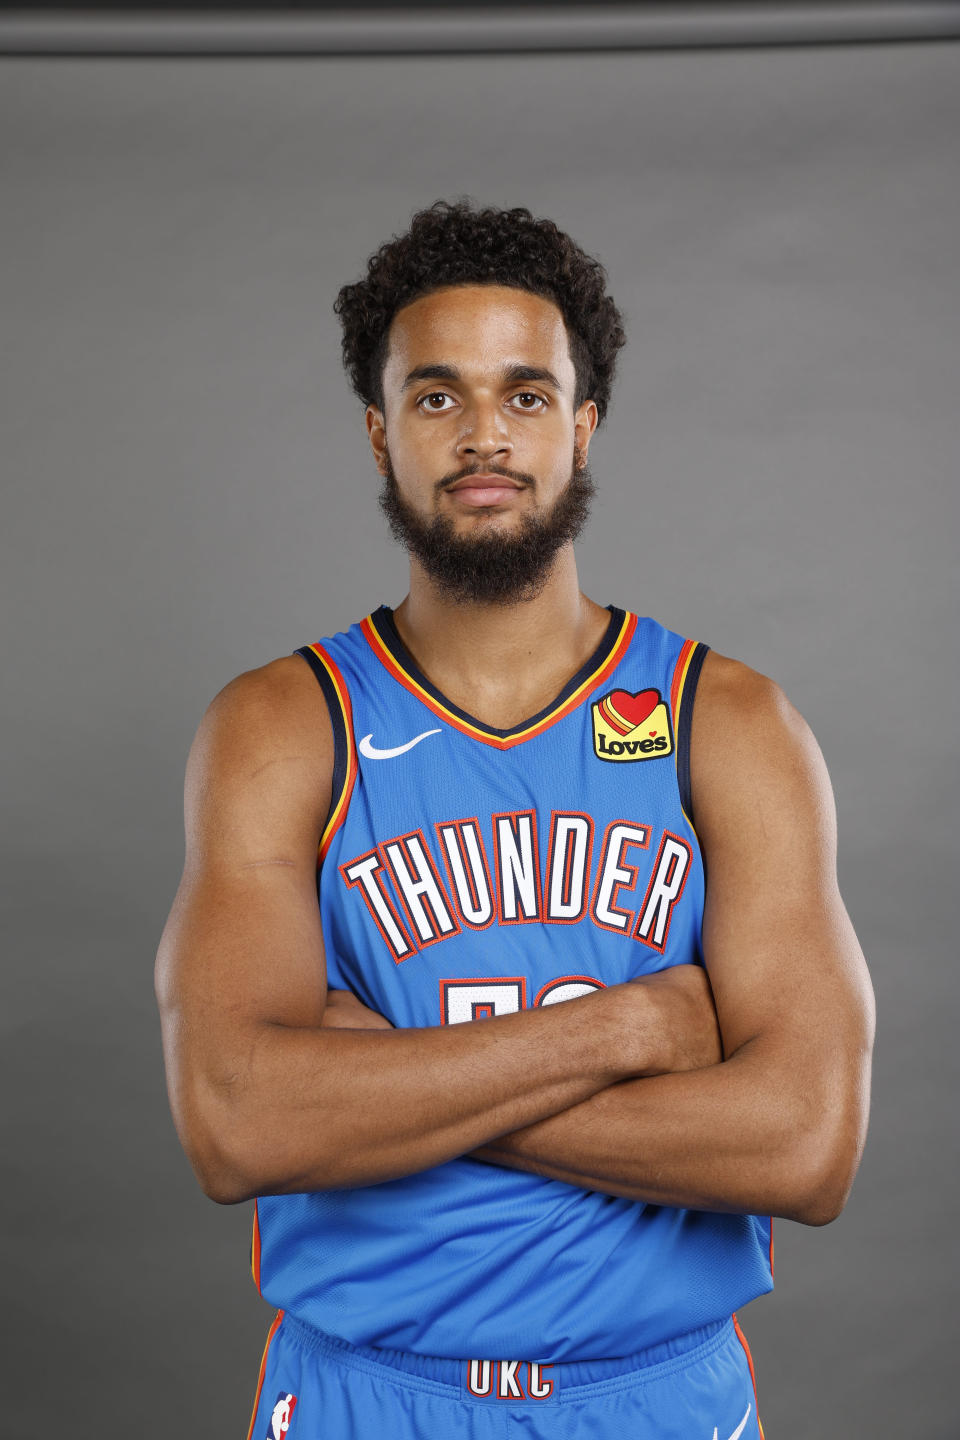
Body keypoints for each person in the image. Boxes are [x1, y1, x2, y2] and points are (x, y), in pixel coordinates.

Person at [156, 200, 874, 1440]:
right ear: (379, 436)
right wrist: (629, 1028)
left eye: (526, 396)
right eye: (436, 398)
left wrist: (384, 1082)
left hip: (654, 1397)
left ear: (583, 427)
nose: (483, 435)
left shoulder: (729, 723)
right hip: (363, 1394)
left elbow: (807, 1147)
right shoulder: (284, 727)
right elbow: (235, 1122)